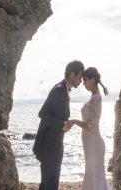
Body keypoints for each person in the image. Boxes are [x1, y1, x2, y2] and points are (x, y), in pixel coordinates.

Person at [33, 60, 84, 190]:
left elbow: (54, 114)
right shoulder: (60, 90)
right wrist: (62, 125)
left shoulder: (63, 89)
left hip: (52, 145)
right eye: (79, 77)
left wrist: (65, 123)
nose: (81, 81)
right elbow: (43, 113)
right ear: (72, 74)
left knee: (48, 184)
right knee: (50, 184)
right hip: (50, 146)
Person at [68, 67, 111, 190]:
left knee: (94, 179)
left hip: (94, 145)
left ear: (92, 80)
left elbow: (92, 126)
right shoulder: (93, 98)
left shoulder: (96, 98)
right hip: (90, 145)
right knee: (92, 177)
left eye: (85, 80)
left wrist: (75, 121)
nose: (83, 83)